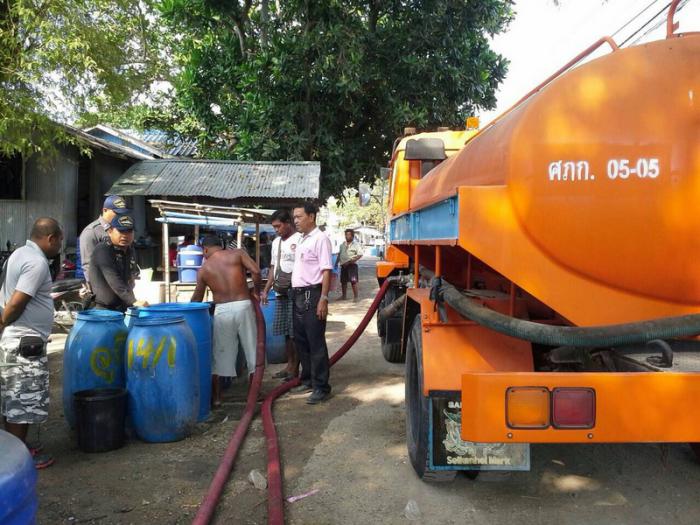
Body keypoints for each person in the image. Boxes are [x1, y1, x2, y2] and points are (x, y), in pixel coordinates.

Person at [1, 217, 63, 469]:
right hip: (24, 343)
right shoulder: (36, 262)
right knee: (22, 401)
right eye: (59, 241)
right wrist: (3, 321)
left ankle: (15, 449)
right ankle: (18, 461)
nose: (59, 246)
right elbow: (16, 302)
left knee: (13, 399)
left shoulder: (20, 253)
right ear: (51, 238)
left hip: (18, 340)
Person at [191, 235, 261, 407]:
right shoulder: (237, 254)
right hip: (244, 305)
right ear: (220, 246)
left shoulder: (204, 269)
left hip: (222, 310)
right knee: (252, 351)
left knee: (220, 354)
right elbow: (256, 271)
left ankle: (217, 398)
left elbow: (197, 299)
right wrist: (256, 292)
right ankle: (254, 395)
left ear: (205, 250)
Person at [290, 202, 333, 405]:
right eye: (295, 217)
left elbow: (326, 270)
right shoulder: (302, 239)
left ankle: (322, 387)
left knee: (315, 342)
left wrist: (323, 299)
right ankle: (307, 379)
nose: (295, 221)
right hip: (297, 295)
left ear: (312, 217)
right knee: (301, 340)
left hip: (312, 295)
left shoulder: (320, 239)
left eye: (299, 216)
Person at [261, 210, 301, 381]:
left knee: (295, 332)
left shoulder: (299, 239)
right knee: (285, 331)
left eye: (278, 226)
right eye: (274, 227)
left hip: (296, 291)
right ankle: (289, 365)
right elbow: (273, 267)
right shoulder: (276, 242)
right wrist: (266, 289)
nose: (276, 230)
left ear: (288, 223)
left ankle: (296, 369)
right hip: (280, 291)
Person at [89, 215, 145, 312]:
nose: (125, 235)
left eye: (129, 231)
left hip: (123, 307)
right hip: (103, 310)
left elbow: (130, 277)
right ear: (110, 231)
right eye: (121, 231)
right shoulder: (103, 250)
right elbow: (114, 280)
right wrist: (133, 301)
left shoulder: (130, 250)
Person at [79, 195, 131, 282]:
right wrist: (97, 288)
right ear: (105, 210)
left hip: (122, 283)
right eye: (117, 213)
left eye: (122, 213)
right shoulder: (92, 231)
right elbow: (88, 265)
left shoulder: (122, 228)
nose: (120, 216)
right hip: (103, 286)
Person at [337, 228, 364, 301]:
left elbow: (360, 254)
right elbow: (340, 254)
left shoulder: (356, 245)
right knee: (343, 281)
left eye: (349, 235)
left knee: (353, 281)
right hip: (343, 266)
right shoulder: (342, 245)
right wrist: (336, 263)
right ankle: (344, 296)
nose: (347, 236)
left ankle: (356, 297)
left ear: (352, 236)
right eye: (346, 235)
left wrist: (351, 261)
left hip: (352, 265)